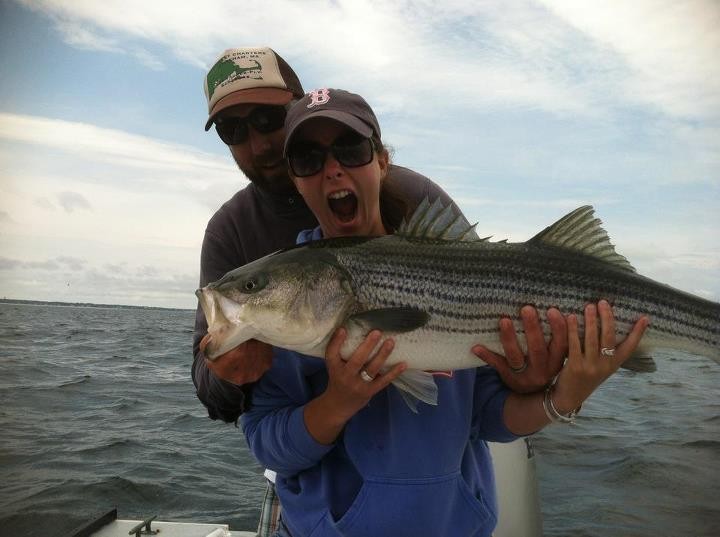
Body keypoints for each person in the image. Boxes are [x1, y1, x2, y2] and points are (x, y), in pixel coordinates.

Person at [240, 88, 649, 537]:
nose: (332, 168)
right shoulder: (281, 306)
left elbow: (491, 418)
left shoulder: (449, 256)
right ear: (295, 180)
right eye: (307, 159)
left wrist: (563, 397)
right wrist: (338, 403)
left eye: (351, 149)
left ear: (381, 160)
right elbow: (269, 448)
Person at [193, 47, 566, 425]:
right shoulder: (231, 231)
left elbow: (482, 290)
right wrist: (230, 376)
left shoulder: (413, 195)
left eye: (267, 117)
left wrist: (537, 384)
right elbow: (213, 395)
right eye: (233, 129)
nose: (257, 143)